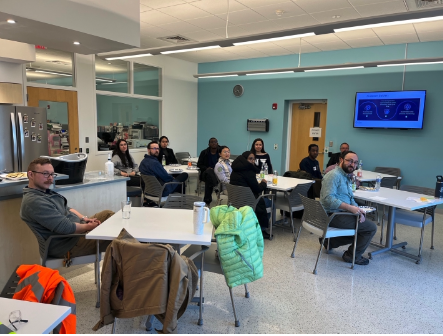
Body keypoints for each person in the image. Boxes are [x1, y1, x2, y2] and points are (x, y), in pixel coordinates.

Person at [20, 158, 114, 259]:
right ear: (30, 175)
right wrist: (89, 227)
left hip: (76, 233)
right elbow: (66, 228)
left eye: (52, 174)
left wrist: (84, 218)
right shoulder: (34, 201)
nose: (50, 178)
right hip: (67, 244)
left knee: (108, 215)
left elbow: (67, 209)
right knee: (118, 238)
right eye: (45, 174)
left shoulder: (44, 192)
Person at [320, 150, 377, 266]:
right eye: (350, 161)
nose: (353, 165)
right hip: (333, 215)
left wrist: (358, 211)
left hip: (342, 213)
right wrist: (351, 209)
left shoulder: (345, 176)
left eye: (355, 162)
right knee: (370, 228)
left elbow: (350, 198)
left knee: (361, 228)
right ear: (341, 160)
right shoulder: (333, 176)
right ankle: (351, 256)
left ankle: (328, 242)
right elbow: (328, 199)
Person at [230, 151, 272, 239]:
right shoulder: (248, 171)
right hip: (249, 200)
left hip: (236, 199)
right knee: (271, 203)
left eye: (254, 159)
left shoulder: (235, 169)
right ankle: (262, 229)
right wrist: (264, 183)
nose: (253, 161)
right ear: (245, 159)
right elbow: (257, 189)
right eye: (250, 159)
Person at [197, 137, 220, 206]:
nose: (214, 143)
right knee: (209, 173)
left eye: (215, 142)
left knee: (209, 179)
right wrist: (206, 168)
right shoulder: (204, 152)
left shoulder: (220, 152)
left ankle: (207, 200)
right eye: (212, 142)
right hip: (205, 172)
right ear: (209, 144)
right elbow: (199, 164)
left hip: (217, 173)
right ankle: (216, 186)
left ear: (217, 143)